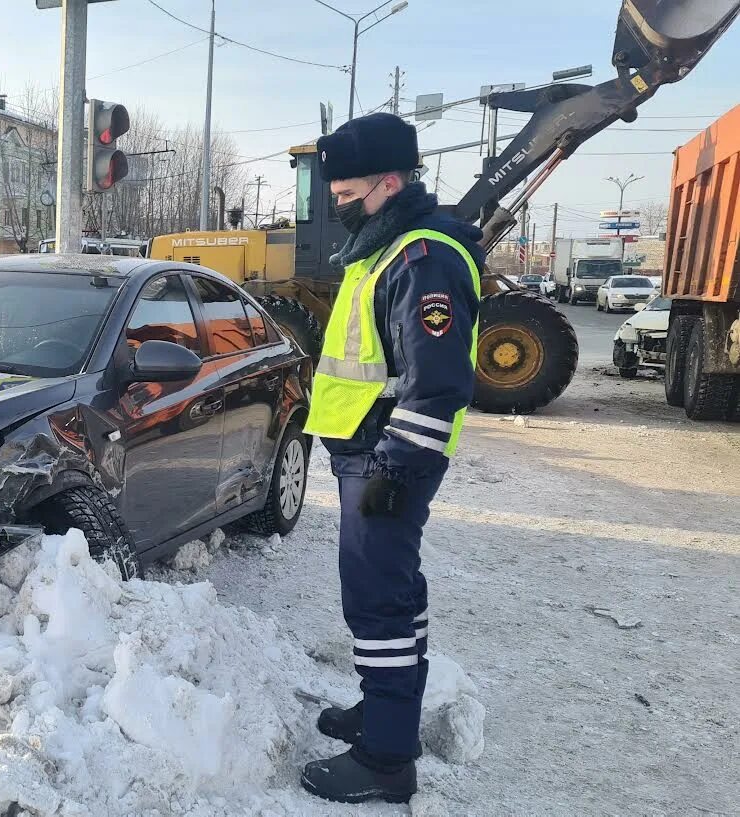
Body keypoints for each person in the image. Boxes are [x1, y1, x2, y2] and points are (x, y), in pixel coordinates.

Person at [299, 113, 484, 805]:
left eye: (348, 193)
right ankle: (385, 710)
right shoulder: (386, 248)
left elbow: (436, 385)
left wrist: (392, 473)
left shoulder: (421, 259)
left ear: (391, 181)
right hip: (371, 455)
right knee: (393, 595)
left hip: (389, 461)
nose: (340, 205)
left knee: (377, 601)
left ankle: (385, 758)